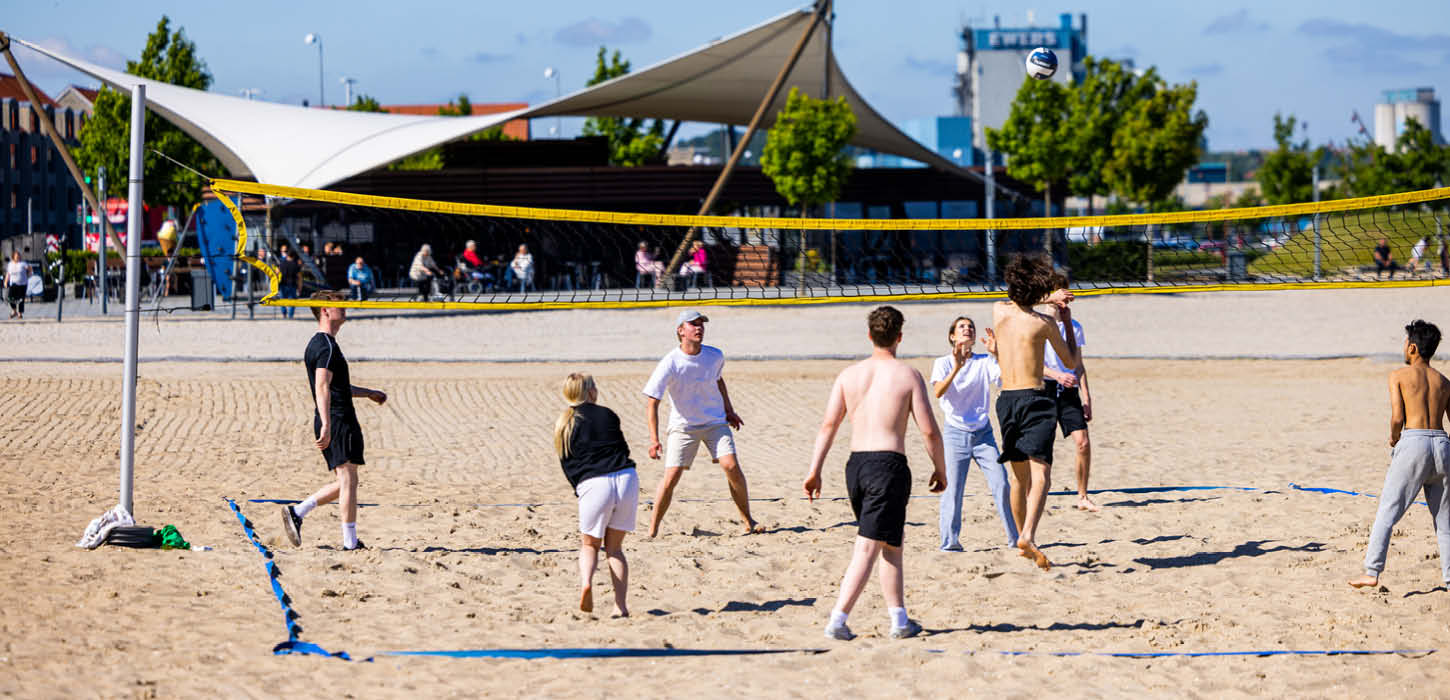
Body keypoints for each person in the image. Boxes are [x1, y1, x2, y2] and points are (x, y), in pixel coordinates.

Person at [803, 306, 947, 641]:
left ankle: (899, 620)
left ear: (869, 335)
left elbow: (828, 425)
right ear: (899, 336)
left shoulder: (848, 375)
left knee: (891, 544)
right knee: (868, 547)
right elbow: (929, 432)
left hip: (856, 467)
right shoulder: (907, 375)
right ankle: (838, 620)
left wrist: (815, 470)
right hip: (888, 466)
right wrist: (940, 468)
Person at [280, 291, 388, 551]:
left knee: (346, 480)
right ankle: (350, 542)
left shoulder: (322, 344)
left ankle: (298, 512)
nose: (344, 307)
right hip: (337, 419)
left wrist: (368, 393)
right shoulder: (325, 345)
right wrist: (327, 423)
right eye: (338, 304)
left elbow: (337, 385)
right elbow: (322, 386)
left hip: (336, 417)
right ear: (325, 311)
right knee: (348, 479)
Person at [990, 255, 1078, 571]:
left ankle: (1019, 539)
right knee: (1041, 475)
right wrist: (1065, 319)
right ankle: (1028, 534)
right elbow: (1069, 361)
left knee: (1018, 479)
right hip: (1037, 398)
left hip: (1006, 400)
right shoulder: (1045, 323)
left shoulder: (998, 311)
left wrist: (1045, 297)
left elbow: (1018, 299)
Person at [1349, 320, 1450, 590]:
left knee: (1388, 510)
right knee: (1444, 521)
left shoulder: (1398, 376)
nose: (1403, 347)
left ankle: (1371, 571)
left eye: (1406, 342)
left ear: (1413, 347)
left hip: (1414, 441)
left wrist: (1395, 437)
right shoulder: (1443, 381)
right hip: (1442, 443)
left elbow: (1397, 417)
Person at [642, 310, 761, 536]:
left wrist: (729, 410)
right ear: (680, 330)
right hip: (683, 427)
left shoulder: (715, 355)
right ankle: (653, 528)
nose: (699, 328)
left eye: (701, 324)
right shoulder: (670, 362)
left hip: (715, 422)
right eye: (693, 324)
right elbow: (652, 402)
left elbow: (718, 379)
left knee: (731, 466)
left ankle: (749, 521)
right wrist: (654, 440)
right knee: (671, 477)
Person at [555, 372, 638, 617]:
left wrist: (579, 487)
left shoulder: (564, 421)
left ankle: (587, 583)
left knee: (590, 544)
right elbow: (622, 447)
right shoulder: (608, 414)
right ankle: (620, 606)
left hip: (594, 483)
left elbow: (566, 462)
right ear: (590, 392)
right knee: (615, 549)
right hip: (625, 478)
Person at [931, 315, 1017, 551]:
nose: (967, 329)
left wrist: (998, 354)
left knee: (1001, 483)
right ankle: (950, 543)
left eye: (970, 326)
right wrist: (957, 367)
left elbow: (1005, 380)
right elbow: (938, 391)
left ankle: (1015, 538)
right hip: (955, 433)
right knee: (953, 491)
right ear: (952, 336)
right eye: (961, 326)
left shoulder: (983, 361)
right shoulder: (943, 362)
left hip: (983, 434)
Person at [1042, 275, 1096, 512]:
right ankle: (1038, 494)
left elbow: (1078, 364)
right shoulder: (1037, 322)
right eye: (1059, 292)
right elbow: (1029, 362)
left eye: (1067, 292)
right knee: (1043, 448)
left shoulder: (1074, 326)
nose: (1065, 297)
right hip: (1043, 388)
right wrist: (1055, 375)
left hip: (1069, 389)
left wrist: (1087, 397)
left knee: (1083, 442)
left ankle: (1082, 496)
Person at [276, 245, 302, 319]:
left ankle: (284, 314)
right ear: (293, 256)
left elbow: (276, 273)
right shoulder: (296, 265)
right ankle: (290, 315)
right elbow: (300, 277)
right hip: (293, 284)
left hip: (283, 284)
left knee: (282, 300)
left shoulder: (282, 263)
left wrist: (276, 283)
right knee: (292, 301)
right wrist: (300, 288)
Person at [5, 251, 31, 320]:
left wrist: (28, 276)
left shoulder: (23, 263)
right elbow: (8, 274)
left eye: (18, 256)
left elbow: (30, 269)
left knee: (21, 299)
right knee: (10, 298)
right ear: (13, 257)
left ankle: (20, 313)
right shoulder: (10, 264)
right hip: (13, 284)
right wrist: (5, 281)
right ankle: (14, 311)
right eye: (16, 256)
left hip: (22, 284)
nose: (18, 257)